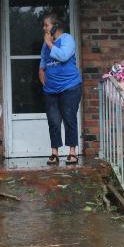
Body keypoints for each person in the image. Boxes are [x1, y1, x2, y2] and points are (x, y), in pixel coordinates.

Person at [38, 13, 82, 165]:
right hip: (51, 89)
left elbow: (63, 56)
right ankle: (54, 153)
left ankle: (72, 152)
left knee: (69, 118)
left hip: (70, 86)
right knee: (53, 121)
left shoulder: (67, 39)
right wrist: (41, 70)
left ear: (55, 26)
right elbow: (44, 59)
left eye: (46, 25)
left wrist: (50, 44)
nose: (44, 28)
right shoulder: (46, 43)